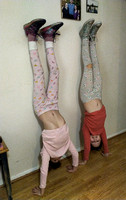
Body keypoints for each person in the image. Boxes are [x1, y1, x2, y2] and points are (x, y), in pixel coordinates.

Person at [23, 18, 79, 196]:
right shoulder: (65, 145)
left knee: (38, 70)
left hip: (41, 106)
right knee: (56, 71)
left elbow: (43, 171)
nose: (60, 157)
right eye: (60, 158)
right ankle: (48, 37)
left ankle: (31, 35)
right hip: (54, 103)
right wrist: (74, 165)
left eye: (58, 159)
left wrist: (42, 189)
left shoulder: (46, 151)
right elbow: (74, 153)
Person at [79, 19, 109, 165]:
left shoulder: (87, 129)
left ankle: (84, 37)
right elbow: (105, 140)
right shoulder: (101, 130)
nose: (96, 138)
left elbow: (86, 146)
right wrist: (106, 151)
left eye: (94, 140)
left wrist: (85, 159)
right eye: (98, 140)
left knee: (88, 66)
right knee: (96, 65)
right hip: (97, 94)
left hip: (87, 95)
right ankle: (92, 39)